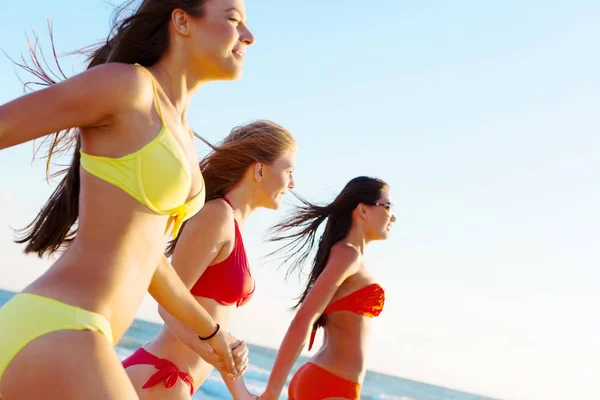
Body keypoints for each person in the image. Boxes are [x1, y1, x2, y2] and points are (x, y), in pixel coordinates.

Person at [0, 0, 254, 398]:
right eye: (234, 20)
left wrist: (212, 333)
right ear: (182, 21)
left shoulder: (182, 134)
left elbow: (148, 257)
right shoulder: (128, 87)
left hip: (79, 335)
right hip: (63, 326)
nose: (248, 36)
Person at [123, 120, 296, 399]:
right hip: (160, 378)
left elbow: (215, 323)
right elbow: (168, 305)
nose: (292, 183)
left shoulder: (233, 223)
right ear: (260, 169)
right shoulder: (217, 216)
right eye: (289, 170)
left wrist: (242, 392)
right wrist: (216, 347)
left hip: (177, 382)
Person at [259, 177, 396, 400]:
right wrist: (272, 391)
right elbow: (304, 319)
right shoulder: (347, 255)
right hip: (331, 385)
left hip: (330, 383)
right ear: (362, 210)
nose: (393, 217)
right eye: (387, 207)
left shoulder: (350, 256)